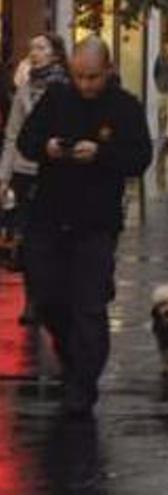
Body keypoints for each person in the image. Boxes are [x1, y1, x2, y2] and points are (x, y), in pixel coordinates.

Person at [17, 37, 153, 417]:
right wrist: (49, 148)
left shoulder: (124, 107)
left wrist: (101, 153)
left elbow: (139, 157)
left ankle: (83, 384)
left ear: (107, 71)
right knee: (49, 298)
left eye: (93, 77)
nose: (86, 85)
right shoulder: (57, 99)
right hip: (49, 215)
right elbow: (27, 140)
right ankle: (72, 358)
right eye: (79, 76)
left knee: (89, 307)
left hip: (95, 222)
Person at [0, 33, 69, 326]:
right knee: (26, 238)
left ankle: (55, 295)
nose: (35, 53)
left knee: (54, 237)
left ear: (55, 53)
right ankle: (32, 300)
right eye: (31, 48)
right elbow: (12, 135)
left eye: (41, 47)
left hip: (56, 172)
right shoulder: (24, 90)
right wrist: (3, 177)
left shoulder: (67, 87)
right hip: (24, 172)